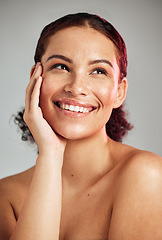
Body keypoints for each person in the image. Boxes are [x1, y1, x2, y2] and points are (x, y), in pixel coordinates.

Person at [0, 12, 162, 240]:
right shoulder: (4, 197)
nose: (76, 88)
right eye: (61, 67)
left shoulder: (146, 175)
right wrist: (51, 156)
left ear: (119, 92)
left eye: (99, 71)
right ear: (35, 77)